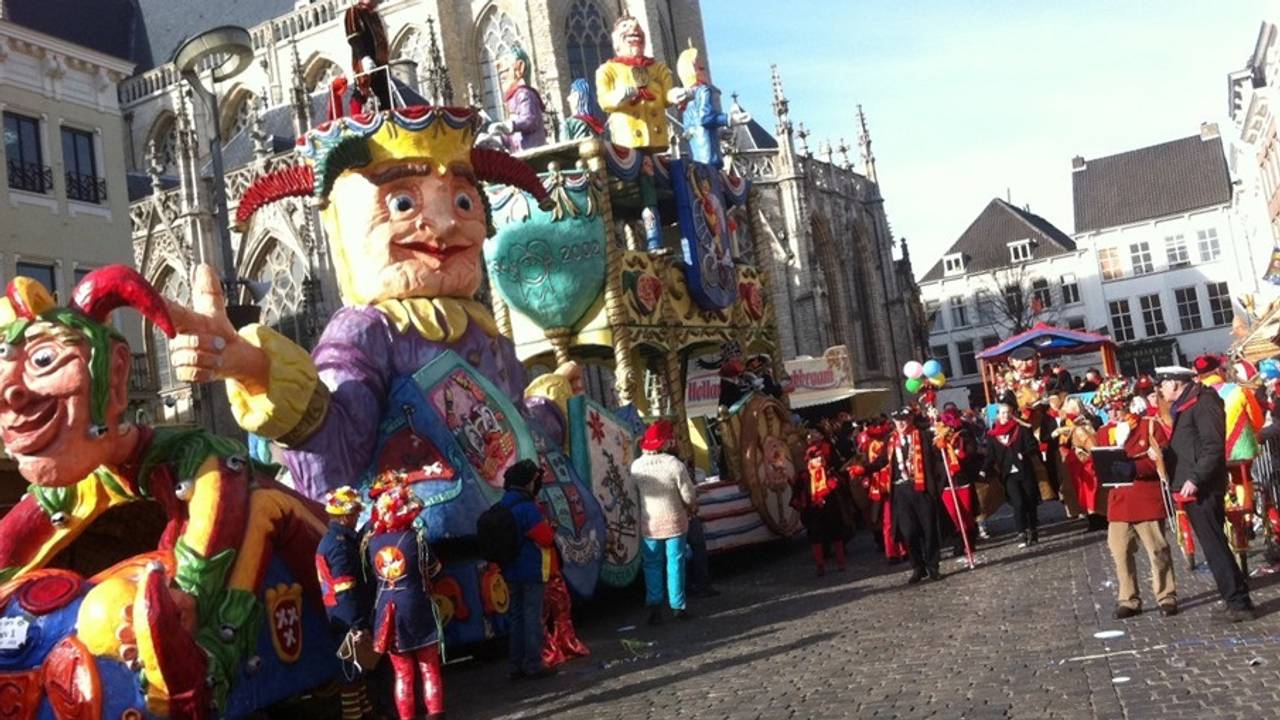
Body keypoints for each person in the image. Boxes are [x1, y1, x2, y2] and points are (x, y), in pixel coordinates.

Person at [1158, 366, 1255, 622]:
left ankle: (1238, 602)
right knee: (1214, 545)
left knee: (1215, 546)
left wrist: (1195, 478)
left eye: (1164, 383)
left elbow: (1213, 447)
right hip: (1191, 484)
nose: (1161, 389)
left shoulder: (1203, 403)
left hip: (1202, 487)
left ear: (1176, 383)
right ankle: (1234, 595)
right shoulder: (1186, 404)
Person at [367, 480, 446, 720]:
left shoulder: (370, 542)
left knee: (402, 673)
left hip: (388, 609)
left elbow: (371, 575)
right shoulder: (416, 538)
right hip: (416, 604)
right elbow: (434, 569)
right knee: (429, 667)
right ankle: (435, 714)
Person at [1099, 386, 1177, 619]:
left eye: (1116, 408)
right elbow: (1098, 463)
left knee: (1157, 550)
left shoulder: (1148, 426)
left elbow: (1162, 461)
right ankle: (1128, 599)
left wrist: (1136, 467)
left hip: (1146, 497)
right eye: (1108, 409)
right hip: (1119, 500)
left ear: (1126, 405)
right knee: (1120, 551)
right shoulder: (1104, 433)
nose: (1113, 414)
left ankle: (1166, 595)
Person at [630, 419, 698, 624]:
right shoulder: (674, 465)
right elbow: (689, 495)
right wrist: (691, 507)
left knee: (651, 564)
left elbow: (633, 495)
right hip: (675, 521)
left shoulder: (636, 467)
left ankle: (654, 605)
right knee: (675, 563)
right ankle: (678, 606)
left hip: (650, 524)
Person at [317, 487, 375, 720]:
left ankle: (366, 711)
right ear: (343, 517)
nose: (357, 517)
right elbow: (345, 590)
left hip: (338, 613)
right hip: (345, 616)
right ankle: (354, 715)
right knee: (350, 673)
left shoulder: (334, 540)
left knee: (357, 670)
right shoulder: (339, 546)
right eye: (353, 514)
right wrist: (357, 624)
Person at [870, 407, 945, 584]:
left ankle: (933, 567)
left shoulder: (923, 435)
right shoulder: (890, 439)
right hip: (901, 491)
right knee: (908, 532)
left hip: (921, 488)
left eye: (904, 419)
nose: (901, 423)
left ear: (910, 419)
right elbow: (882, 461)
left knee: (928, 530)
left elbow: (937, 456)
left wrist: (940, 444)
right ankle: (918, 567)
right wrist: (864, 469)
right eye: (897, 420)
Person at [498, 460, 558, 679]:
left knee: (516, 617)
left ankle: (516, 664)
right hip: (531, 569)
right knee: (532, 617)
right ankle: (533, 663)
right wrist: (551, 529)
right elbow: (545, 538)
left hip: (510, 569)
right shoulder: (527, 507)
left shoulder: (504, 504)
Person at [793, 429, 853, 576]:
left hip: (829, 495)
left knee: (835, 528)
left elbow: (838, 466)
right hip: (813, 499)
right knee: (816, 532)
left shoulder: (829, 450)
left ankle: (840, 561)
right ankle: (821, 564)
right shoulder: (803, 462)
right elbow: (799, 478)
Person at [983, 400, 1042, 547]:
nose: (1005, 415)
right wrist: (984, 469)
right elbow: (990, 455)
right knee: (1018, 503)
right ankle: (1021, 532)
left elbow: (1034, 446)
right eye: (1002, 413)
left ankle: (1032, 529)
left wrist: (1024, 453)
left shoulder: (1021, 429)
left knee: (1030, 502)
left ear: (1012, 414)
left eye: (1008, 413)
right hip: (1008, 474)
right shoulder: (992, 435)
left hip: (1024, 470)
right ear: (997, 415)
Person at [935, 407, 979, 558]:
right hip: (946, 481)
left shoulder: (964, 435)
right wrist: (939, 448)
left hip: (962, 478)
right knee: (953, 514)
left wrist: (960, 453)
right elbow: (934, 458)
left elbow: (972, 451)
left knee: (966, 512)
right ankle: (958, 541)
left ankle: (970, 541)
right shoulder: (938, 438)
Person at [344, 0, 391, 111]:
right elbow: (354, 38)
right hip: (365, 64)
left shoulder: (375, 15)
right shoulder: (353, 11)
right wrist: (364, 57)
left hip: (381, 64)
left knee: (386, 97)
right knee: (363, 91)